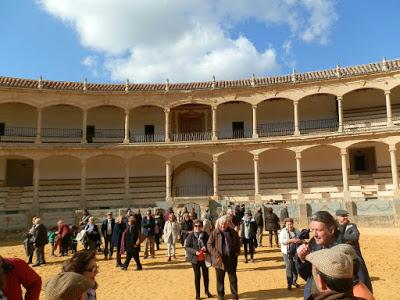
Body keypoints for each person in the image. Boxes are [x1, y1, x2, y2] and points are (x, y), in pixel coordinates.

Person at [296, 211, 342, 299]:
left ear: (331, 229)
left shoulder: (345, 251)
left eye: (318, 230)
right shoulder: (313, 244)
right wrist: (302, 260)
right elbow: (308, 277)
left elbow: (360, 283)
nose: (314, 234)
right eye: (312, 230)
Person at [336, 209, 372, 293]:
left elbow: (355, 237)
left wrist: (341, 238)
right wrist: (345, 238)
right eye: (342, 216)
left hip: (354, 254)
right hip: (339, 255)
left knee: (361, 272)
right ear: (337, 217)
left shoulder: (351, 225)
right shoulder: (334, 227)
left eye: (346, 216)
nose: (345, 217)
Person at [207, 215, 241, 300]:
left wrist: (237, 252)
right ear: (218, 224)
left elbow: (238, 242)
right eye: (221, 224)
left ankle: (235, 296)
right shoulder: (215, 232)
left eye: (225, 224)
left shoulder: (233, 232)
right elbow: (209, 244)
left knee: (233, 279)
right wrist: (216, 254)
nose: (223, 226)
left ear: (228, 224)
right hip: (219, 260)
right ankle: (221, 296)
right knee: (220, 280)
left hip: (231, 259)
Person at [185, 219, 213, 300]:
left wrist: (206, 249)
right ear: (193, 227)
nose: (197, 227)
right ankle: (198, 295)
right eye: (195, 226)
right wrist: (195, 252)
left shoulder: (205, 234)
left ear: (202, 227)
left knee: (206, 276)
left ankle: (207, 291)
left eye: (199, 226)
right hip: (195, 259)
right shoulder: (190, 236)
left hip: (204, 258)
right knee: (197, 277)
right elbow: (187, 247)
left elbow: (210, 245)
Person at [279, 217, 301, 290]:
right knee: (289, 267)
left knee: (295, 267)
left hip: (295, 252)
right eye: (288, 224)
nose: (290, 226)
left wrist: (299, 240)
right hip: (287, 252)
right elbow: (282, 241)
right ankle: (289, 283)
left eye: (291, 224)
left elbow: (301, 239)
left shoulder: (296, 231)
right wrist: (291, 240)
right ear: (285, 225)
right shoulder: (283, 231)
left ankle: (294, 281)